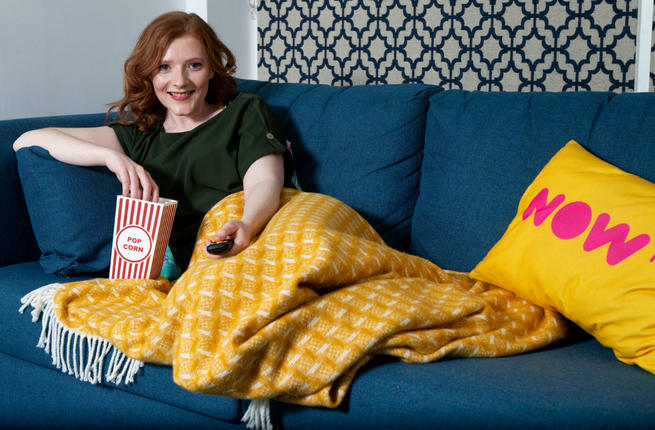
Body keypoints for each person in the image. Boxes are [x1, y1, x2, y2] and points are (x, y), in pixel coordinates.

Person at [13, 11, 295, 272]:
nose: (180, 81)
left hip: (256, 236)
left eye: (194, 65)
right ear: (149, 73)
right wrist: (111, 157)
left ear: (212, 68)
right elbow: (27, 140)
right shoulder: (140, 135)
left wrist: (247, 224)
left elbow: (264, 181)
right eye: (164, 67)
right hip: (201, 264)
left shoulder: (245, 111)